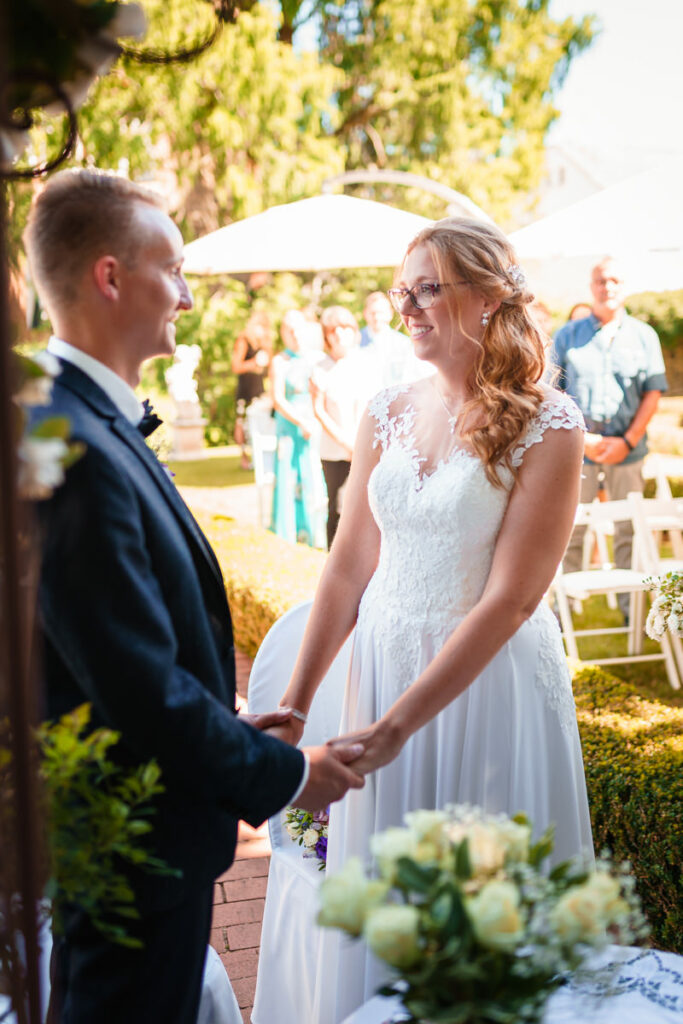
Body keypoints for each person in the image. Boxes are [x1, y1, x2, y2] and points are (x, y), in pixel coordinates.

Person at [23, 168, 365, 1024]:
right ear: (110, 277)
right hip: (129, 841)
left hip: (154, 822)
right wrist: (286, 773)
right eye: (170, 269)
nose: (184, 296)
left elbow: (123, 642)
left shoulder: (88, 420)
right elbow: (137, 683)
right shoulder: (64, 442)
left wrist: (228, 716)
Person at [261, 217, 594, 1023]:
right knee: (383, 896)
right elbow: (346, 564)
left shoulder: (550, 423)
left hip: (487, 686)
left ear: (485, 298)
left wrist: (399, 729)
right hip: (381, 665)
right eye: (400, 290)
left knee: (480, 910)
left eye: (427, 288)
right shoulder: (382, 413)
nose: (406, 305)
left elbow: (511, 598)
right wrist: (297, 705)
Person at [551, 258, 668, 616]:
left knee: (627, 530)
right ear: (592, 286)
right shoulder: (567, 335)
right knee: (569, 528)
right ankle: (563, 610)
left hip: (628, 452)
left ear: (625, 285)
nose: (608, 286)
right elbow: (550, 392)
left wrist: (628, 441)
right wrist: (581, 439)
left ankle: (631, 609)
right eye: (601, 280)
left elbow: (653, 392)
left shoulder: (644, 336)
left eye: (615, 280)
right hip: (577, 451)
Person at [310, 306, 366, 548]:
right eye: (334, 330)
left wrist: (360, 444)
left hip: (364, 446)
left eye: (345, 328)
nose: (340, 334)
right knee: (336, 505)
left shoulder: (365, 363)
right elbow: (319, 410)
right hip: (334, 451)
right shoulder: (319, 368)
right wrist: (345, 443)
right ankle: (333, 555)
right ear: (327, 336)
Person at [269, 309, 326, 547]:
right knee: (287, 475)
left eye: (297, 329)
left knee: (311, 472)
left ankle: (314, 531)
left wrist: (314, 419)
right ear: (284, 333)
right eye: (289, 330)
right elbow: (277, 399)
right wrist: (301, 421)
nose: (294, 334)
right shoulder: (279, 361)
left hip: (312, 422)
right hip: (290, 424)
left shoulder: (316, 359)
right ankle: (287, 533)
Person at [359, 289, 431, 387]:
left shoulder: (404, 344)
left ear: (390, 314)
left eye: (381, 312)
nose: (377, 317)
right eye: (372, 313)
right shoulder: (355, 341)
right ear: (365, 313)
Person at [231, 310, 272, 469]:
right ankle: (243, 456)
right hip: (245, 389)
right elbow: (236, 366)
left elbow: (269, 369)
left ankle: (257, 455)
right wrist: (254, 363)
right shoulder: (243, 341)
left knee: (260, 423)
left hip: (259, 389)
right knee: (240, 423)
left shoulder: (265, 344)